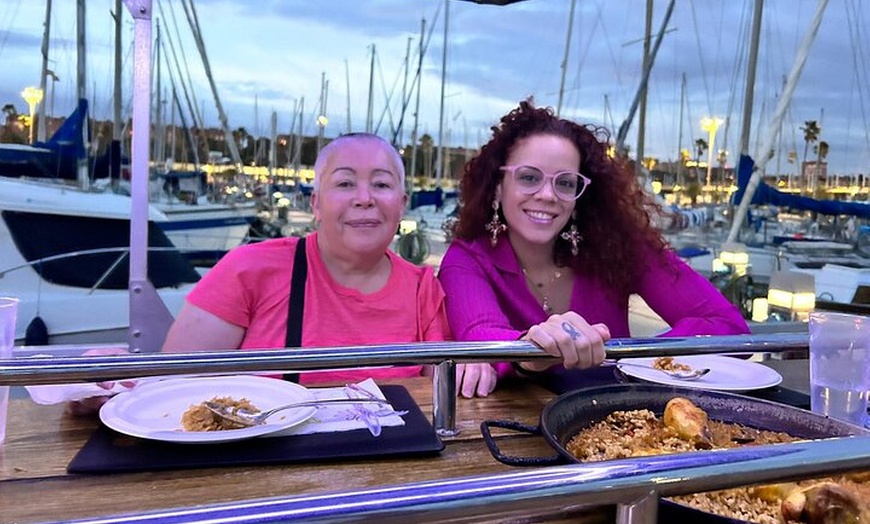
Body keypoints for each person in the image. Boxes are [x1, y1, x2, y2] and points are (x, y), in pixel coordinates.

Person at [438, 99, 750, 392]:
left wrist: (638, 359)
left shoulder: (621, 247)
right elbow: (480, 334)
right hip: (519, 432)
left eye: (565, 182)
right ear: (496, 186)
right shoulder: (467, 258)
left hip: (627, 428)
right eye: (529, 177)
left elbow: (728, 326)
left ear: (579, 197)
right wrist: (535, 349)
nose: (547, 195)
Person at [161, 132, 493, 395]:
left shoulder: (423, 290)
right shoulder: (248, 270)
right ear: (316, 204)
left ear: (402, 204)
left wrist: (474, 368)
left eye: (381, 184)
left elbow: (443, 393)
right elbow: (168, 388)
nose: (365, 198)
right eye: (345, 183)